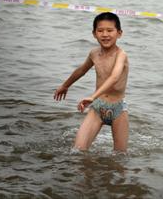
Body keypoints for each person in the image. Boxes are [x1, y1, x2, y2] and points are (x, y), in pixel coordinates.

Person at [54, 12, 130, 152]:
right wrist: (65, 86)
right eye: (100, 31)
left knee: (120, 157)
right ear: (94, 34)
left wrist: (92, 96)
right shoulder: (94, 54)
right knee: (77, 151)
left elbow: (114, 78)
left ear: (119, 33)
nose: (105, 34)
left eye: (110, 30)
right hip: (98, 106)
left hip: (118, 108)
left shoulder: (121, 55)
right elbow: (81, 70)